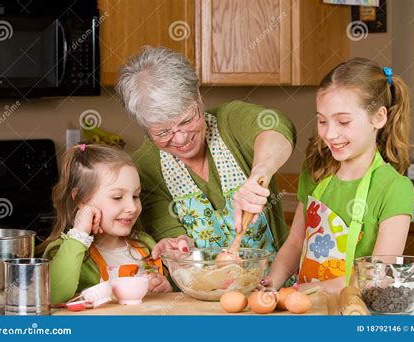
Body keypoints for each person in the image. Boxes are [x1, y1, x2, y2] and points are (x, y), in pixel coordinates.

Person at [116, 46, 296, 257]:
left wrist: (259, 173)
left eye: (187, 120)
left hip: (272, 285)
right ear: (145, 126)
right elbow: (172, 238)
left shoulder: (230, 121)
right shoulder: (144, 169)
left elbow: (278, 128)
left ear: (198, 97)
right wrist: (179, 247)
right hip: (198, 286)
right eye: (163, 132)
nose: (182, 139)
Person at [262, 58, 414, 294]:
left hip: (353, 313)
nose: (330, 133)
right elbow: (294, 244)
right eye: (322, 121)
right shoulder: (315, 173)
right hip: (304, 310)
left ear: (379, 118)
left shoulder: (394, 188)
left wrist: (303, 292)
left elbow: (378, 277)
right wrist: (271, 283)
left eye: (343, 121)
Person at [39, 144, 174, 304]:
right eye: (117, 197)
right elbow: (54, 296)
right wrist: (80, 233)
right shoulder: (61, 250)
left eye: (136, 196)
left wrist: (163, 287)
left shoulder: (145, 244)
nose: (132, 207)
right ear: (81, 199)